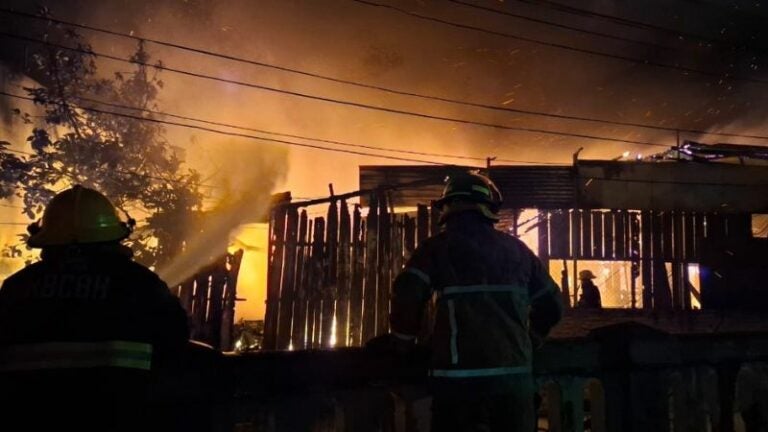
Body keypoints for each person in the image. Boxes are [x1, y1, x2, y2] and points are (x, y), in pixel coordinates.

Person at [0, 185, 190, 431]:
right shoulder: (140, 285)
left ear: (46, 239)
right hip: (118, 418)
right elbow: (176, 345)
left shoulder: (17, 287)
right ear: (113, 237)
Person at [387, 171, 563, 432]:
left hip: (459, 388)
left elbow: (407, 295)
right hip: (514, 385)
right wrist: (531, 339)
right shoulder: (518, 251)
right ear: (489, 208)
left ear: (447, 208)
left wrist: (402, 345)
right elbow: (552, 305)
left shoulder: (437, 248)